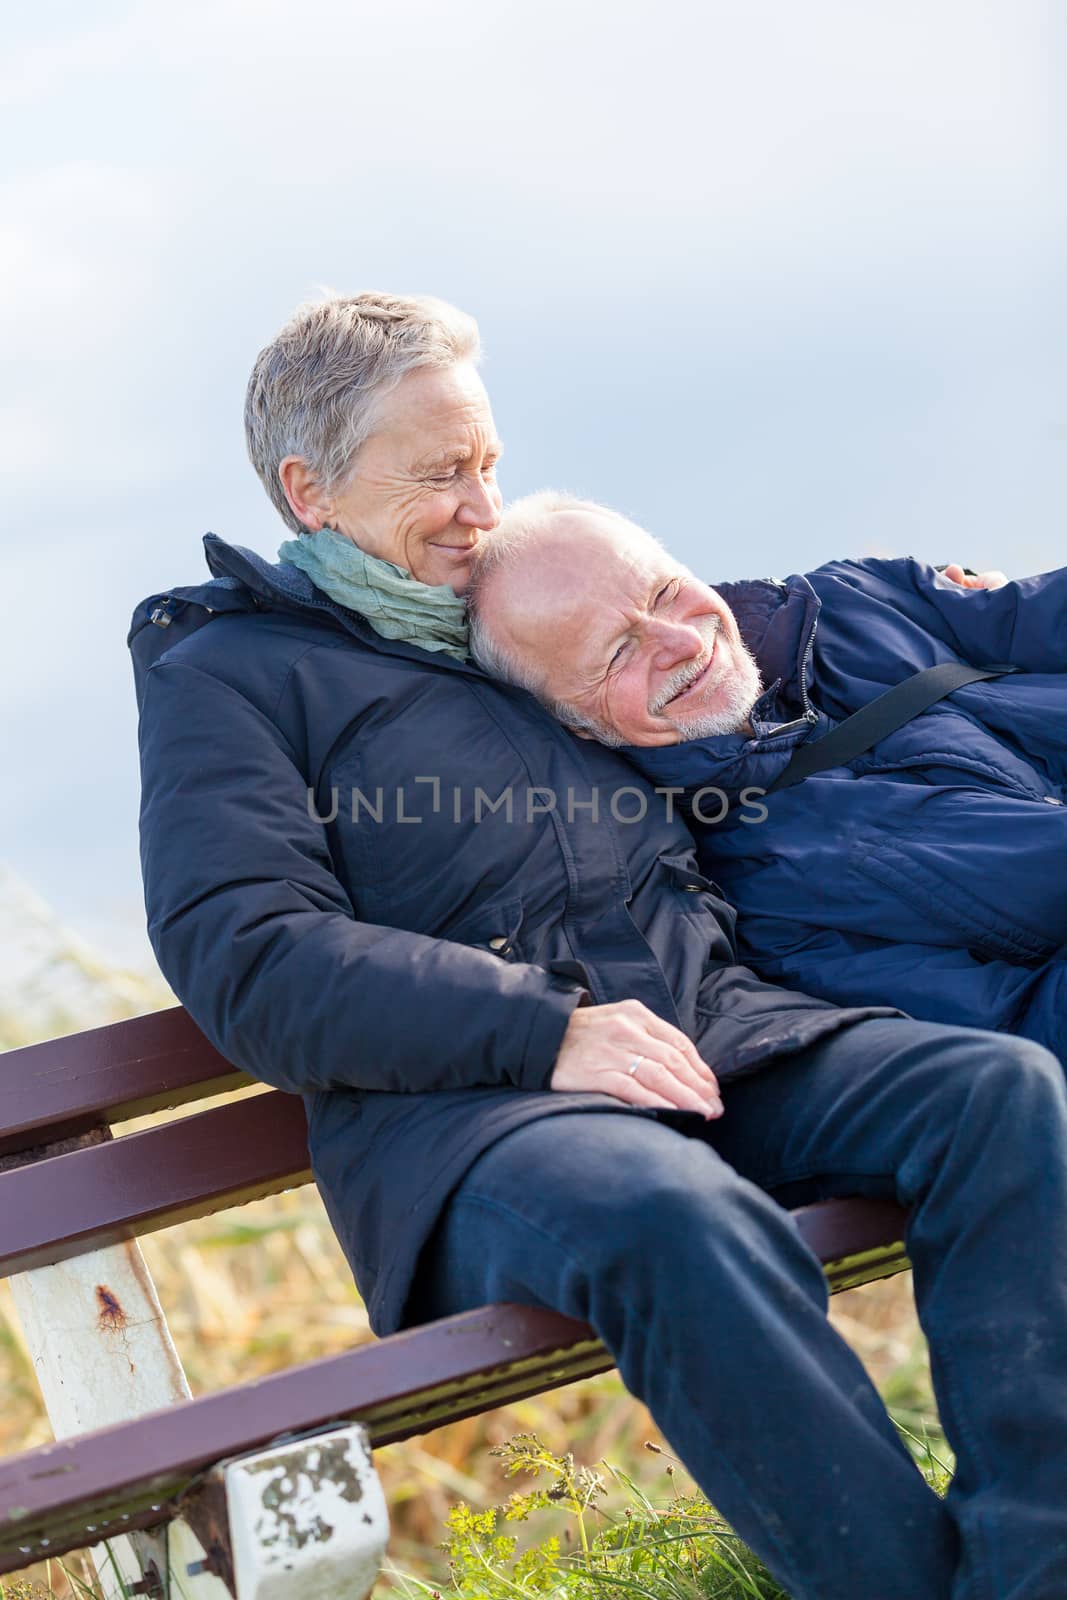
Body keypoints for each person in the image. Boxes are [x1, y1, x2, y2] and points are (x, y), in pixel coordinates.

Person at [134, 292, 1067, 1600]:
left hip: (714, 1042)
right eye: (440, 472)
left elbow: (714, 661)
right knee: (662, 1218)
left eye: (489, 464)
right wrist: (544, 1031)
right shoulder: (230, 673)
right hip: (479, 1122)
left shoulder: (503, 615)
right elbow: (245, 951)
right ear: (311, 490)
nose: (480, 502)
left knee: (992, 1094)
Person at [466, 492, 1067, 1057]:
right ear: (575, 725)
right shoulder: (749, 899)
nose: (679, 641)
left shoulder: (851, 602)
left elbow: (1032, 614)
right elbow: (1021, 1026)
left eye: (666, 592)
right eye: (617, 651)